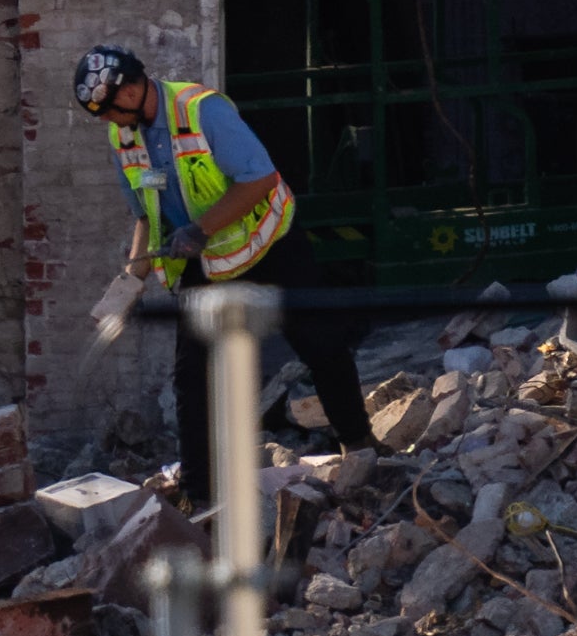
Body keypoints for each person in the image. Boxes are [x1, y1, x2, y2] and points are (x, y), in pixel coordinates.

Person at [74, 44, 381, 474]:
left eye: (107, 112)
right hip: (210, 262)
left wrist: (200, 230)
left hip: (270, 244)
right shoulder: (123, 137)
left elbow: (260, 178)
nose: (107, 122)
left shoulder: (202, 111)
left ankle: (359, 444)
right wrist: (129, 282)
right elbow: (146, 214)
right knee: (192, 377)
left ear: (126, 94)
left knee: (321, 343)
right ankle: (198, 489)